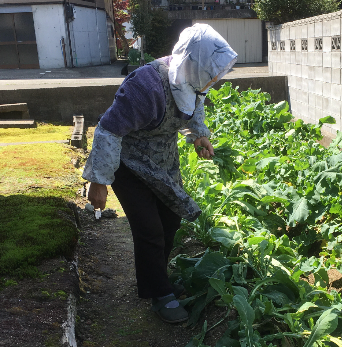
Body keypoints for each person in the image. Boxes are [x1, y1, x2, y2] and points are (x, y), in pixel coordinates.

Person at [82, 23, 237, 323]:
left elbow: (195, 107)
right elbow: (109, 130)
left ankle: (158, 280)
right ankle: (159, 294)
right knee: (149, 228)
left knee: (170, 218)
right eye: (213, 71)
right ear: (194, 60)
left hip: (162, 160)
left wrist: (198, 136)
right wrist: (98, 182)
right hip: (127, 164)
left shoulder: (192, 80)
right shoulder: (147, 86)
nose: (215, 79)